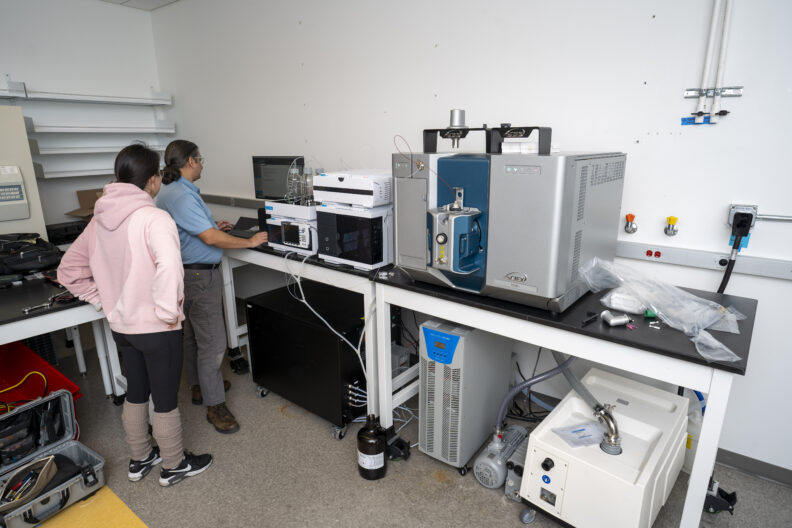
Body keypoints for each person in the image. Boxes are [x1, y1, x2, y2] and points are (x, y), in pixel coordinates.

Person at [58, 144, 212, 487]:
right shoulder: (154, 218)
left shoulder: (98, 220)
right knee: (167, 398)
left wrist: (105, 301)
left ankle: (141, 458)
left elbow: (68, 270)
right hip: (157, 327)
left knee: (136, 391)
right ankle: (174, 465)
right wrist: (168, 313)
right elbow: (171, 269)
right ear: (154, 180)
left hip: (122, 326)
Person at [156, 140, 267, 434]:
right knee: (214, 344)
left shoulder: (172, 190)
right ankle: (215, 405)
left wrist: (213, 225)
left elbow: (194, 230)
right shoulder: (181, 195)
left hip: (185, 273)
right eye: (201, 159)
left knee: (192, 336)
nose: (203, 164)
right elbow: (208, 239)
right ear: (190, 161)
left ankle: (198, 387)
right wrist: (249, 241)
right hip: (199, 277)